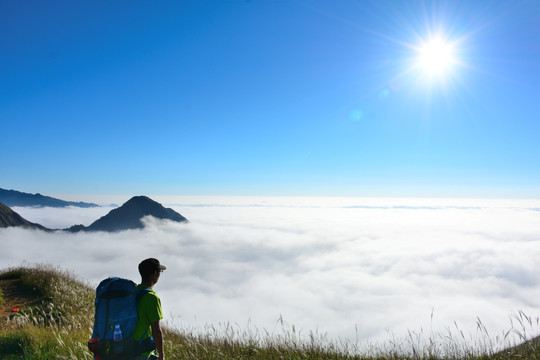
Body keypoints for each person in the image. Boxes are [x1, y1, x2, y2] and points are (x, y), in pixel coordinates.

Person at [133, 258, 166, 360]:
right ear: (155, 274)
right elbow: (156, 330)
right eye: (160, 272)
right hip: (142, 353)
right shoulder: (152, 298)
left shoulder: (133, 291)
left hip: (126, 348)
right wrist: (161, 355)